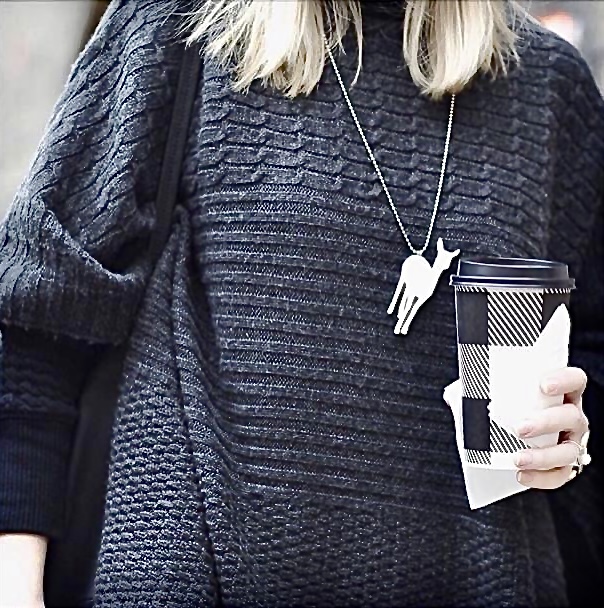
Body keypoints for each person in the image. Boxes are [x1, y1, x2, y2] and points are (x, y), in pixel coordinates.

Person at [0, 0, 602, 606]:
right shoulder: (181, 26)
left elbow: (590, 355)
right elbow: (35, 322)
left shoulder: (548, 84)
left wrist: (572, 440)